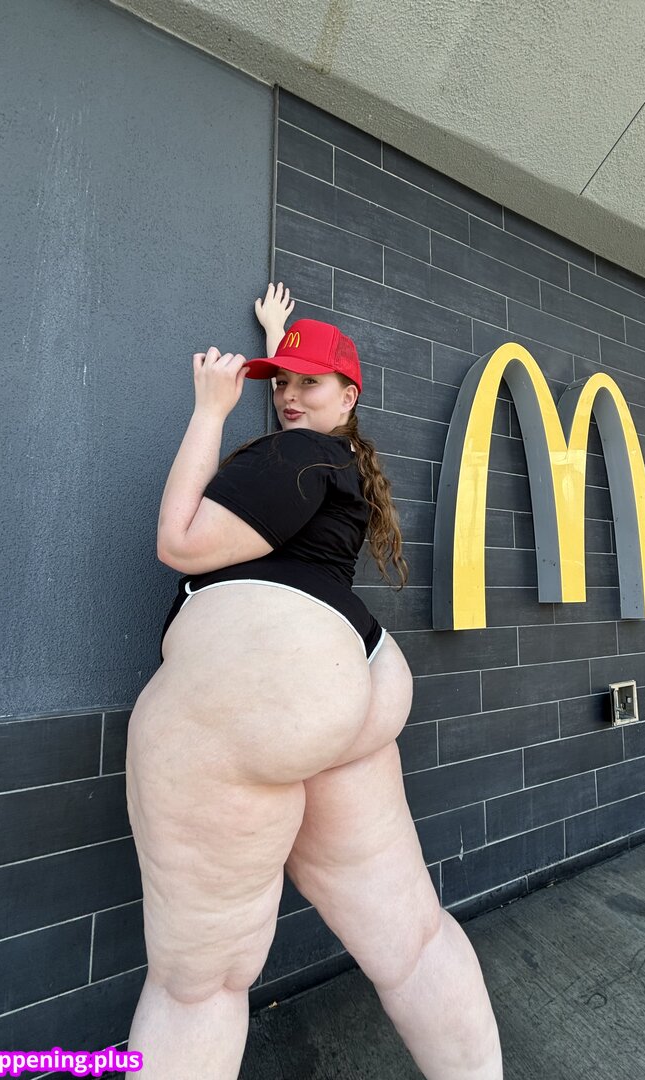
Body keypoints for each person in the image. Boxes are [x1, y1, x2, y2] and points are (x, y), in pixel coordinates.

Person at [124, 282, 503, 1079]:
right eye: (282, 384)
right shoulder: (338, 464)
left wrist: (211, 409)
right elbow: (289, 451)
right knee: (412, 939)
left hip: (262, 690)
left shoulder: (297, 454)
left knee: (198, 987)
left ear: (349, 396)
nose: (290, 396)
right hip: (357, 679)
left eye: (310, 384)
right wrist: (280, 339)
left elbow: (181, 543)